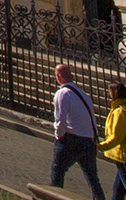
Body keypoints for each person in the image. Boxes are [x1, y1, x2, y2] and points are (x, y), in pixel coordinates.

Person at [51, 63, 108, 200]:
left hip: (71, 139)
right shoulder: (84, 95)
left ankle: (52, 197)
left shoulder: (62, 93)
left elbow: (60, 122)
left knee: (58, 171)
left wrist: (59, 138)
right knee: (93, 179)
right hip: (88, 140)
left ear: (58, 77)